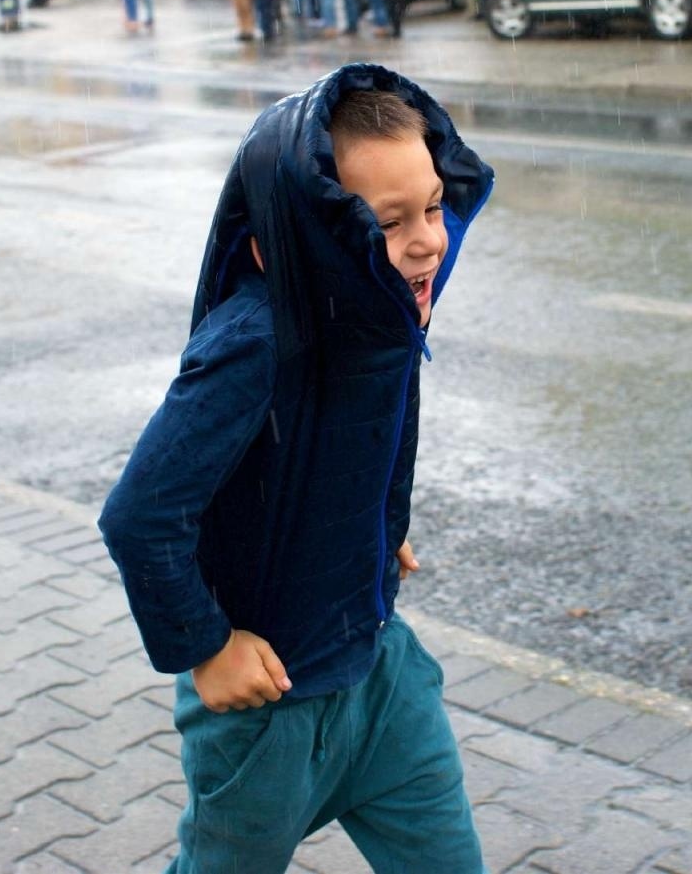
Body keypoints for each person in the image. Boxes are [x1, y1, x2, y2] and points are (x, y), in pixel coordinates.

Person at [97, 65, 494, 874]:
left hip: (383, 684)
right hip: (268, 717)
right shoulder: (253, 341)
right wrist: (206, 648)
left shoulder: (381, 300)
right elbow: (141, 515)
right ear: (309, 235)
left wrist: (375, 532)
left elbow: (359, 435)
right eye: (390, 221)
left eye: (431, 206)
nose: (427, 239)